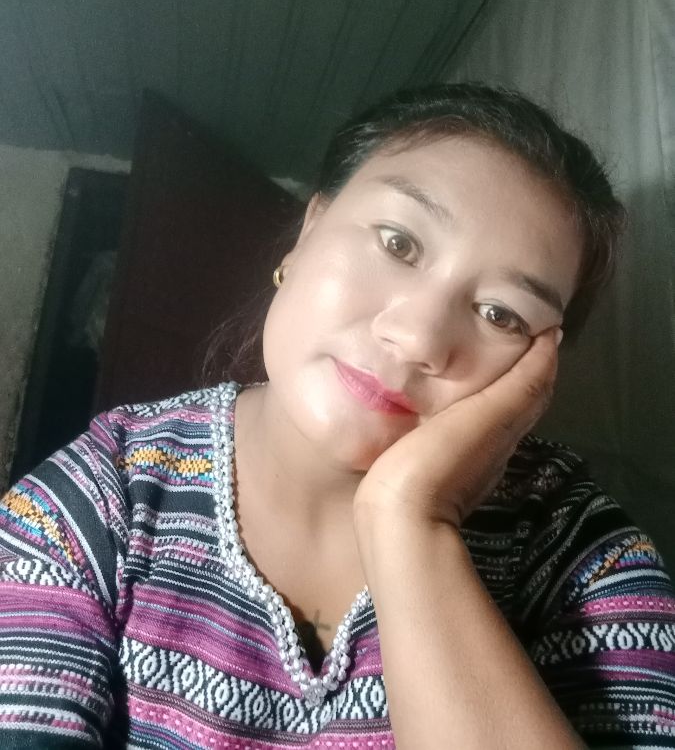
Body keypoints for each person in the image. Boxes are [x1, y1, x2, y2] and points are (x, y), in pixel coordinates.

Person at [1, 83, 674, 749]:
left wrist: (411, 522)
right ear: (309, 230)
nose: (418, 337)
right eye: (398, 243)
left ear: (537, 370)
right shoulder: (98, 497)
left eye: (500, 314)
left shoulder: (577, 553)